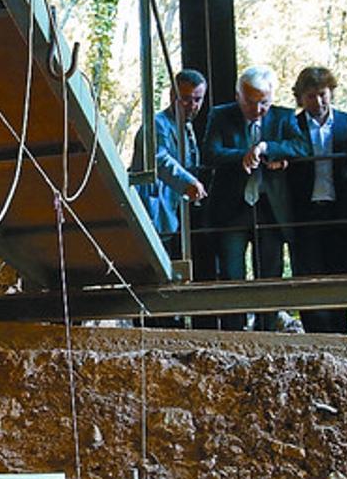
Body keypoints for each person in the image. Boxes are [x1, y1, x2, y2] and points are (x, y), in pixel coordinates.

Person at [201, 65, 309, 331]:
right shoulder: (221, 116)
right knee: (230, 274)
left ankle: (267, 332)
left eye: (264, 102)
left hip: (270, 209)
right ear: (238, 95)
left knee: (270, 275)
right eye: (251, 102)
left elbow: (301, 146)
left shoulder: (283, 117)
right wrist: (243, 155)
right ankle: (233, 335)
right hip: (232, 208)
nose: (258, 109)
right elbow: (211, 153)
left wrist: (267, 148)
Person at [131, 69, 208, 328]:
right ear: (172, 96)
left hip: (176, 212)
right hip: (156, 211)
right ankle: (152, 324)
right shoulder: (156, 125)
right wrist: (189, 182)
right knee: (153, 273)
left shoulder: (187, 129)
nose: (192, 105)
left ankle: (172, 320)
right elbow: (160, 159)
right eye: (186, 99)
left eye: (197, 99)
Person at [287, 66, 347, 334]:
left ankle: (341, 336)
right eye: (310, 96)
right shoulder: (291, 125)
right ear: (300, 98)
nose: (318, 101)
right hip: (305, 212)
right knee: (308, 278)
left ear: (331, 92)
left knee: (341, 276)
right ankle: (315, 338)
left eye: (322, 94)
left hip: (341, 211)